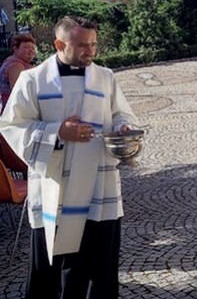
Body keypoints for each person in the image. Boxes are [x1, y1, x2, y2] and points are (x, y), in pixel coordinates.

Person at [0, 15, 138, 299]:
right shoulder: (33, 80)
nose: (91, 51)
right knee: (52, 269)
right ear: (59, 44)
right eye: (82, 45)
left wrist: (123, 126)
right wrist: (58, 133)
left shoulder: (105, 77)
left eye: (94, 45)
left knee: (98, 268)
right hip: (56, 188)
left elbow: (120, 113)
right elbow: (12, 126)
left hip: (100, 187)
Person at [0, 33, 37, 176]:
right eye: (26, 47)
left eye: (33, 48)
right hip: (19, 120)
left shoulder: (12, 62)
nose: (31, 51)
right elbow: (20, 95)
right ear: (15, 48)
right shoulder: (16, 65)